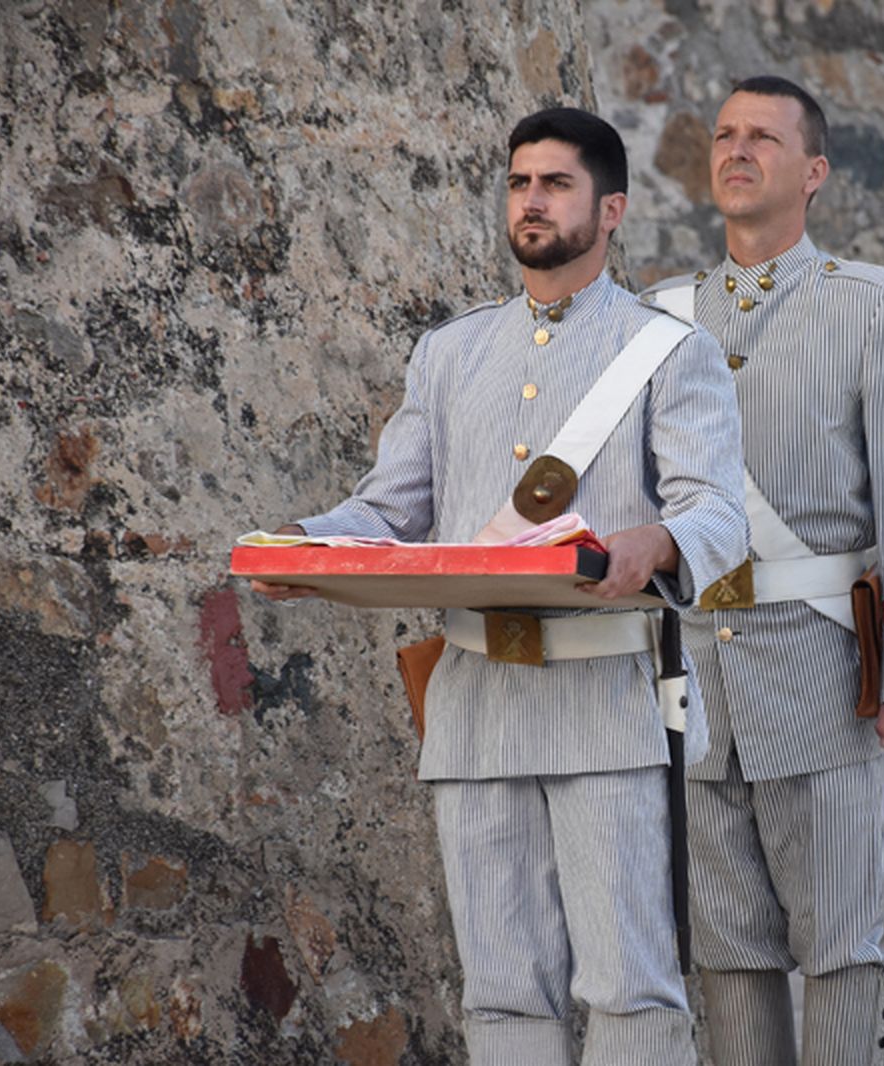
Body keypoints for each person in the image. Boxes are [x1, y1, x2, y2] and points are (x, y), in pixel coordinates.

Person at [251, 108, 747, 1066]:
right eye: (520, 182)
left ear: (612, 210)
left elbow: (719, 515)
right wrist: (302, 547)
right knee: (502, 995)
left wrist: (659, 538)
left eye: (556, 184)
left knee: (630, 989)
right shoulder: (449, 353)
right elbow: (390, 508)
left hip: (605, 699)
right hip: (474, 703)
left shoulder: (667, 350)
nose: (531, 201)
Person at [645, 76, 884, 1065]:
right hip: (697, 678)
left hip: (824, 673)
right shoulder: (656, 318)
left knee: (835, 944)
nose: (737, 150)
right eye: (724, 134)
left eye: (765, 138)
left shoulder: (869, 305)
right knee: (724, 946)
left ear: (813, 171)